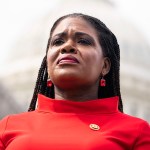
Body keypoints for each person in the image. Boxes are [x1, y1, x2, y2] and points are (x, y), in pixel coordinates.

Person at [0, 13, 150, 150]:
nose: (67, 46)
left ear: (105, 66)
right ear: (47, 64)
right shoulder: (8, 126)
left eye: (83, 41)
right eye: (58, 41)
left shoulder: (137, 131)